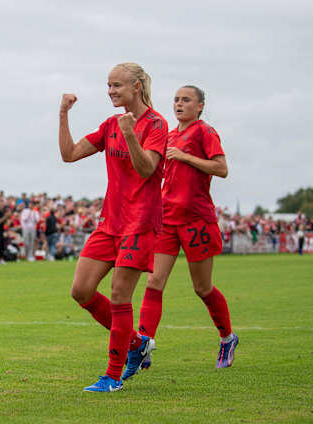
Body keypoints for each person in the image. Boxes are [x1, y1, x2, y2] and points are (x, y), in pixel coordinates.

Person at [59, 62, 167, 392]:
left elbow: (147, 168)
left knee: (120, 294)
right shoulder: (110, 124)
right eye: (108, 86)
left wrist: (132, 134)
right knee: (81, 290)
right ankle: (136, 343)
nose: (111, 91)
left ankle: (112, 376)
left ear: (137, 86)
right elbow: (70, 154)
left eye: (117, 85)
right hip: (111, 222)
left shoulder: (157, 124)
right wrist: (63, 114)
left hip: (141, 223)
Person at [122, 85, 237, 380]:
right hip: (167, 218)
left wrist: (185, 157)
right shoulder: (169, 135)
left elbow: (221, 169)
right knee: (154, 281)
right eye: (176, 99)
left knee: (202, 288)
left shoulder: (204, 132)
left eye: (186, 100)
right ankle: (144, 343)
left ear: (199, 106)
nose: (179, 104)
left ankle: (227, 338)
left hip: (197, 220)